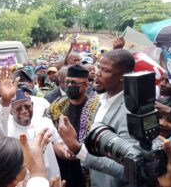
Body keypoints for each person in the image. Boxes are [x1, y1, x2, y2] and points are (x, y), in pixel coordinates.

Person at [58, 49, 136, 187]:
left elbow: (127, 169)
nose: (97, 73)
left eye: (105, 70)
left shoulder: (131, 111)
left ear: (123, 76)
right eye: (98, 67)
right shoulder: (98, 100)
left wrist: (77, 148)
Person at [0, 84, 67, 180]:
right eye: (18, 108)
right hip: (24, 181)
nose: (24, 111)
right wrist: (5, 102)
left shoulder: (44, 122)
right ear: (10, 111)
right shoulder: (6, 126)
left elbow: (57, 143)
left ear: (32, 105)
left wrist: (66, 151)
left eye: (27, 106)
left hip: (50, 177)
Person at [46, 64, 99, 187]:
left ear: (86, 85)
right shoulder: (56, 106)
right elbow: (50, 136)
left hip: (88, 166)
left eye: (74, 83)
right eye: (67, 82)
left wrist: (77, 149)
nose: (69, 86)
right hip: (64, 167)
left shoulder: (97, 106)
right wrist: (61, 149)